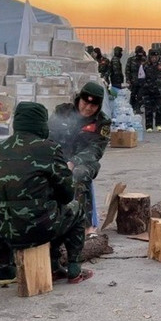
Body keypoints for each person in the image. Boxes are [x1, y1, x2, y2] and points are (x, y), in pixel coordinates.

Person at [0, 102, 92, 285]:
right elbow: (67, 194)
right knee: (75, 208)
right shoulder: (49, 149)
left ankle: (5, 270)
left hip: (3, 229)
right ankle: (74, 269)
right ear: (41, 123)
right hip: (37, 229)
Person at [49, 82, 111, 232]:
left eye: (93, 106)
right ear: (79, 99)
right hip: (59, 158)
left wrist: (73, 162)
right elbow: (48, 137)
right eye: (85, 103)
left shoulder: (102, 122)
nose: (88, 108)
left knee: (79, 174)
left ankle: (84, 226)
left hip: (85, 162)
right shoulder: (62, 111)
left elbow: (95, 150)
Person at [141, 49, 161, 132]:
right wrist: (145, 86)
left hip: (158, 91)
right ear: (149, 57)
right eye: (152, 57)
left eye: (156, 57)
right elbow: (141, 78)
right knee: (148, 109)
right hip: (147, 90)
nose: (154, 59)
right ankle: (149, 126)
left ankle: (158, 124)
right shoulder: (144, 66)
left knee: (160, 109)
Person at [125, 45, 147, 113]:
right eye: (139, 52)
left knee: (140, 96)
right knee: (133, 95)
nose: (140, 53)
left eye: (141, 52)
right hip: (133, 81)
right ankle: (132, 108)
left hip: (142, 81)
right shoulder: (131, 60)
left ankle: (138, 108)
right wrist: (128, 80)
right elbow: (127, 70)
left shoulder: (145, 60)